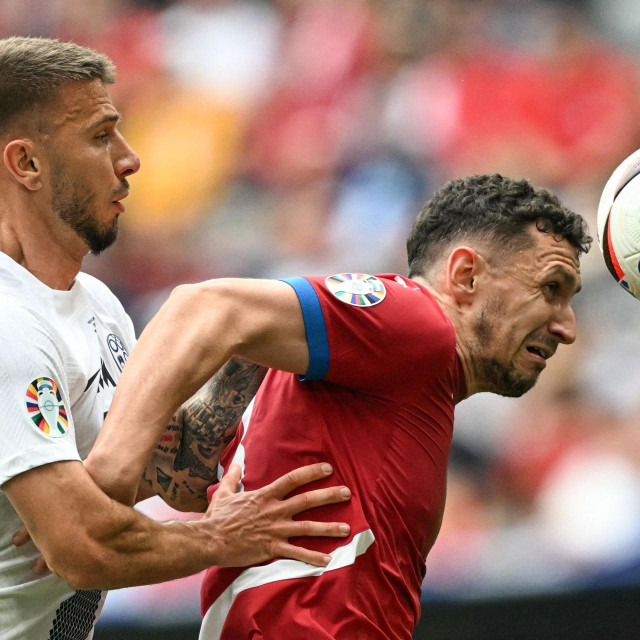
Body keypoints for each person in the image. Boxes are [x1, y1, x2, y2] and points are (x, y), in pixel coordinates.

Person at [87, 173, 592, 638]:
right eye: (550, 289)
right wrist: (108, 475)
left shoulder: (386, 380)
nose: (566, 327)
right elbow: (206, 307)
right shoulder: (418, 326)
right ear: (465, 276)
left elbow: (192, 468)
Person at [0, 36, 352, 640]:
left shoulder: (98, 309)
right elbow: (79, 548)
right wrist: (222, 537)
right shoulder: (8, 323)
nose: (130, 158)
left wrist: (256, 339)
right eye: (101, 135)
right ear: (26, 164)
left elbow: (172, 473)